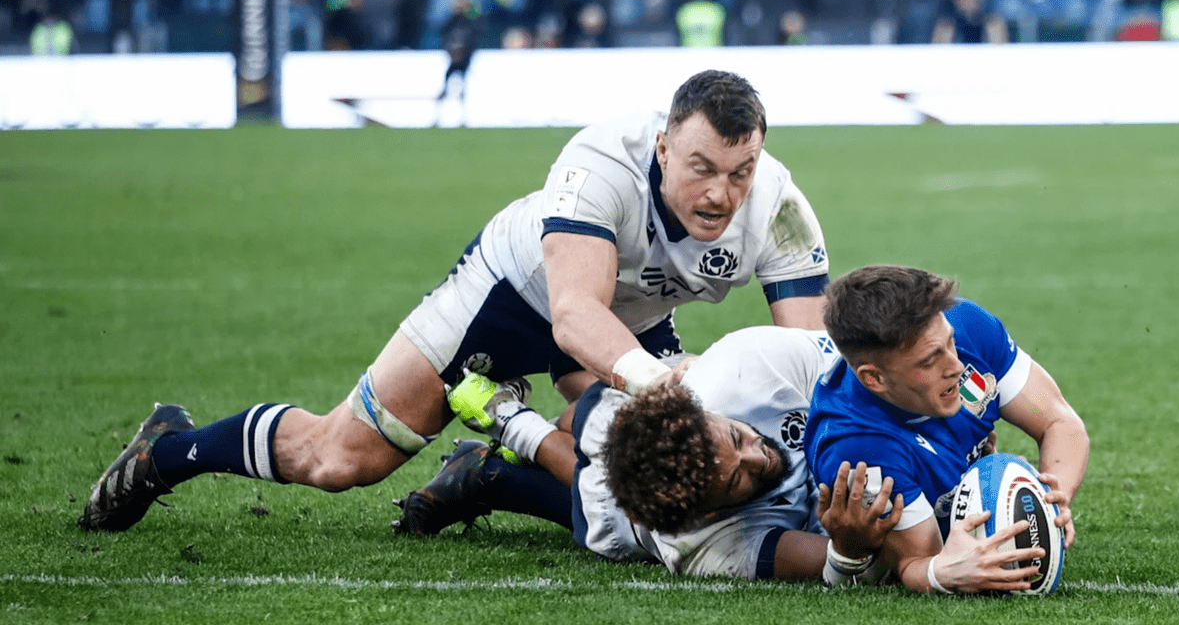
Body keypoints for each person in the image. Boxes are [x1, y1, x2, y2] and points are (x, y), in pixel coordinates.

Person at [79, 69, 831, 532]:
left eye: (739, 171)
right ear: (663, 146)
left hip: (627, 323)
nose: (719, 193)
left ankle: (494, 469)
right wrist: (666, 383)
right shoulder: (601, 160)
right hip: (513, 297)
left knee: (662, 478)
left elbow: (810, 359)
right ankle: (166, 450)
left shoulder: (778, 205)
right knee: (342, 458)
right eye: (701, 167)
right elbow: (572, 317)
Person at [395, 326, 902, 583]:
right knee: (585, 482)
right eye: (735, 483)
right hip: (622, 519)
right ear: (706, 509)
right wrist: (851, 549)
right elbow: (828, 567)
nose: (760, 460)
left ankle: (506, 447)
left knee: (591, 411)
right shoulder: (706, 544)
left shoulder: (722, 382)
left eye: (738, 440)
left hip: (645, 406)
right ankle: (504, 420)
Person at [804, 264, 1090, 594]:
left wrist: (1057, 499)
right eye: (930, 361)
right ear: (875, 379)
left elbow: (1060, 422)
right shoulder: (858, 447)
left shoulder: (966, 324)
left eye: (949, 343)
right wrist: (943, 574)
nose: (955, 366)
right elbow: (914, 562)